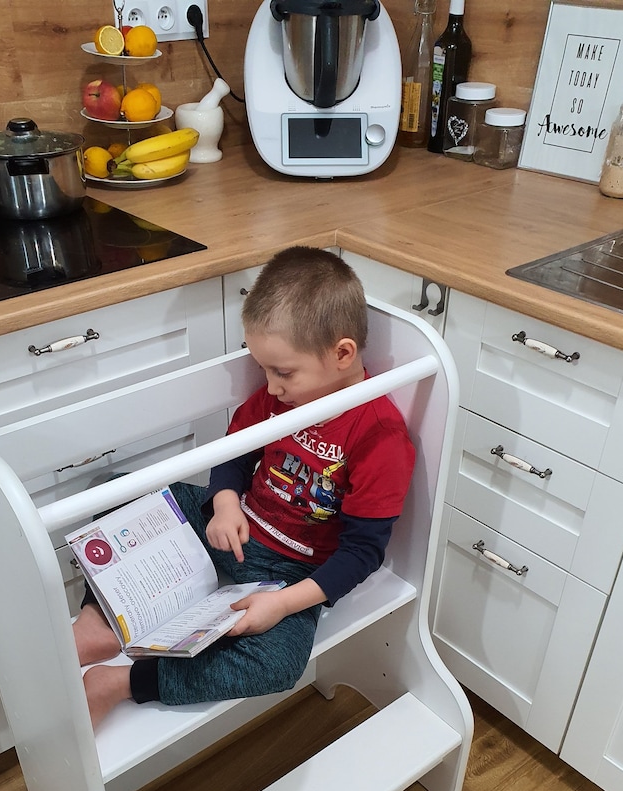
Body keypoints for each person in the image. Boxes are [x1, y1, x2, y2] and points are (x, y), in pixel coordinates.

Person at [75, 246, 416, 726]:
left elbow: (362, 553)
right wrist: (225, 502)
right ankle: (103, 622)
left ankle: (118, 684)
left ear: (342, 354)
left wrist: (282, 604)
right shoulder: (281, 397)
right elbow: (235, 453)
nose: (271, 387)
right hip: (235, 528)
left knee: (277, 666)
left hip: (292, 572)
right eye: (264, 369)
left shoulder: (379, 434)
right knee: (113, 492)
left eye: (283, 372)